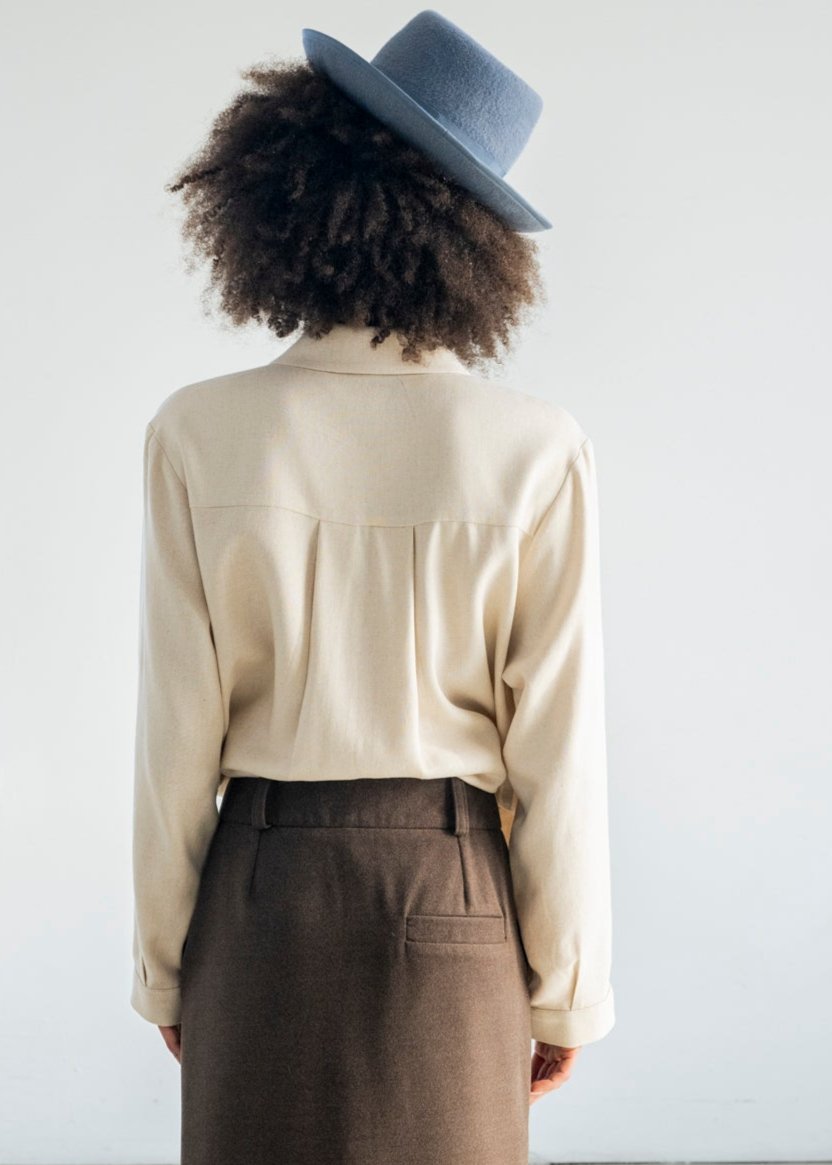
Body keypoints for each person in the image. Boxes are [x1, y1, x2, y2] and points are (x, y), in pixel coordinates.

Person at [129, 11, 615, 1164]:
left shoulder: (198, 431)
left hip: (258, 889)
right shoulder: (534, 447)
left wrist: (164, 967)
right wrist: (568, 992)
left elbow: (174, 739)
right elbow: (557, 750)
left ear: (289, 188)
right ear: (477, 240)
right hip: (453, 885)